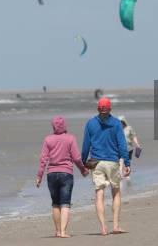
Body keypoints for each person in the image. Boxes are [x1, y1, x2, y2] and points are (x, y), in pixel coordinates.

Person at [81, 97, 130, 236]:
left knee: (99, 192)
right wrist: (127, 162)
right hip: (112, 162)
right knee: (116, 191)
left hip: (96, 163)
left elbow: (86, 146)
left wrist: (82, 163)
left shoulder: (90, 123)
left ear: (98, 109)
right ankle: (115, 225)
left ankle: (103, 227)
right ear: (110, 109)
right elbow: (122, 144)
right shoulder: (116, 123)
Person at [36, 116, 89, 238]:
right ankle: (63, 232)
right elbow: (76, 158)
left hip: (51, 174)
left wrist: (39, 176)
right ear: (64, 126)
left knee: (55, 203)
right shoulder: (70, 138)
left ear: (53, 126)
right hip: (66, 174)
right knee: (65, 203)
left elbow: (43, 159)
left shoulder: (48, 139)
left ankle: (58, 231)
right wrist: (83, 169)